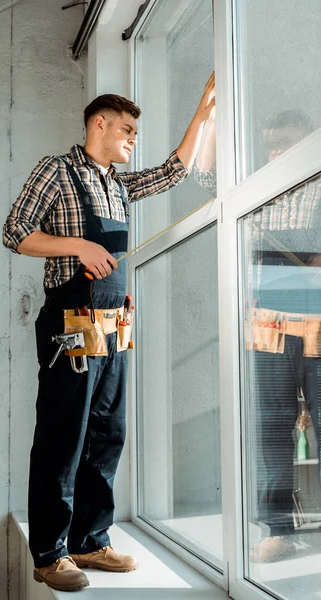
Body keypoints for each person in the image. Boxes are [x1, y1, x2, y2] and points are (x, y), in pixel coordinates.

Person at [3, 73, 215, 592]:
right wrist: (78, 247)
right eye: (126, 129)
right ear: (99, 123)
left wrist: (202, 115)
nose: (132, 139)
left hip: (114, 321)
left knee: (107, 433)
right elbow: (17, 233)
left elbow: (171, 173)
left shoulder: (116, 183)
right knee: (63, 434)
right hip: (71, 320)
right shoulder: (56, 170)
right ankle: (50, 554)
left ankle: (90, 541)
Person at [193, 108, 321, 563]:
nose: (276, 151)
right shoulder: (259, 190)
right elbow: (203, 175)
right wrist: (211, 113)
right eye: (271, 142)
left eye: (286, 141)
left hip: (320, 328)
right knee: (270, 430)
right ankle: (279, 530)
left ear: (309, 140)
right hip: (267, 329)